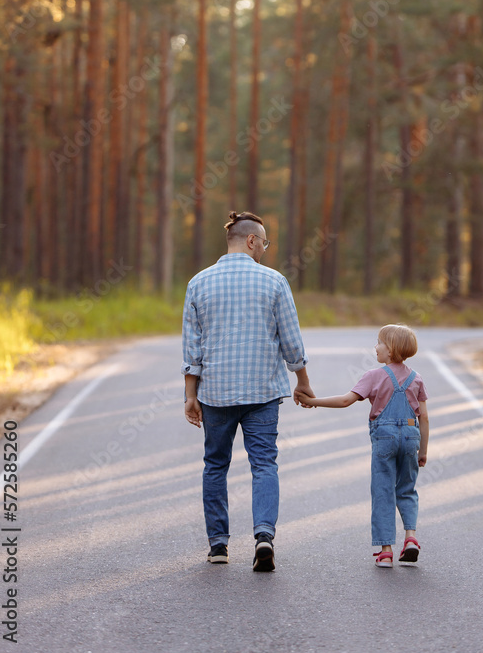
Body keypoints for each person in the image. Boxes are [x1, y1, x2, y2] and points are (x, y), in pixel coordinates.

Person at [182, 210, 314, 572]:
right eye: (264, 244)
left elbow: (192, 349)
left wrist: (190, 395)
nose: (265, 251)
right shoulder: (274, 282)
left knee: (215, 465)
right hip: (262, 393)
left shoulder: (199, 283)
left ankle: (219, 545)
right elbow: (290, 339)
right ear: (252, 240)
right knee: (264, 464)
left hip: (216, 394)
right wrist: (302, 380)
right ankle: (264, 537)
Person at [298, 323, 429, 568]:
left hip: (385, 437)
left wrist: (313, 401)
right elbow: (424, 417)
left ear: (390, 350)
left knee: (383, 491)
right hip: (412, 436)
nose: (375, 347)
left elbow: (347, 400)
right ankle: (410, 538)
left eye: (379, 342)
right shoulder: (416, 378)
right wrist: (423, 450)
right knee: (407, 489)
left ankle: (386, 551)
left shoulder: (374, 376)